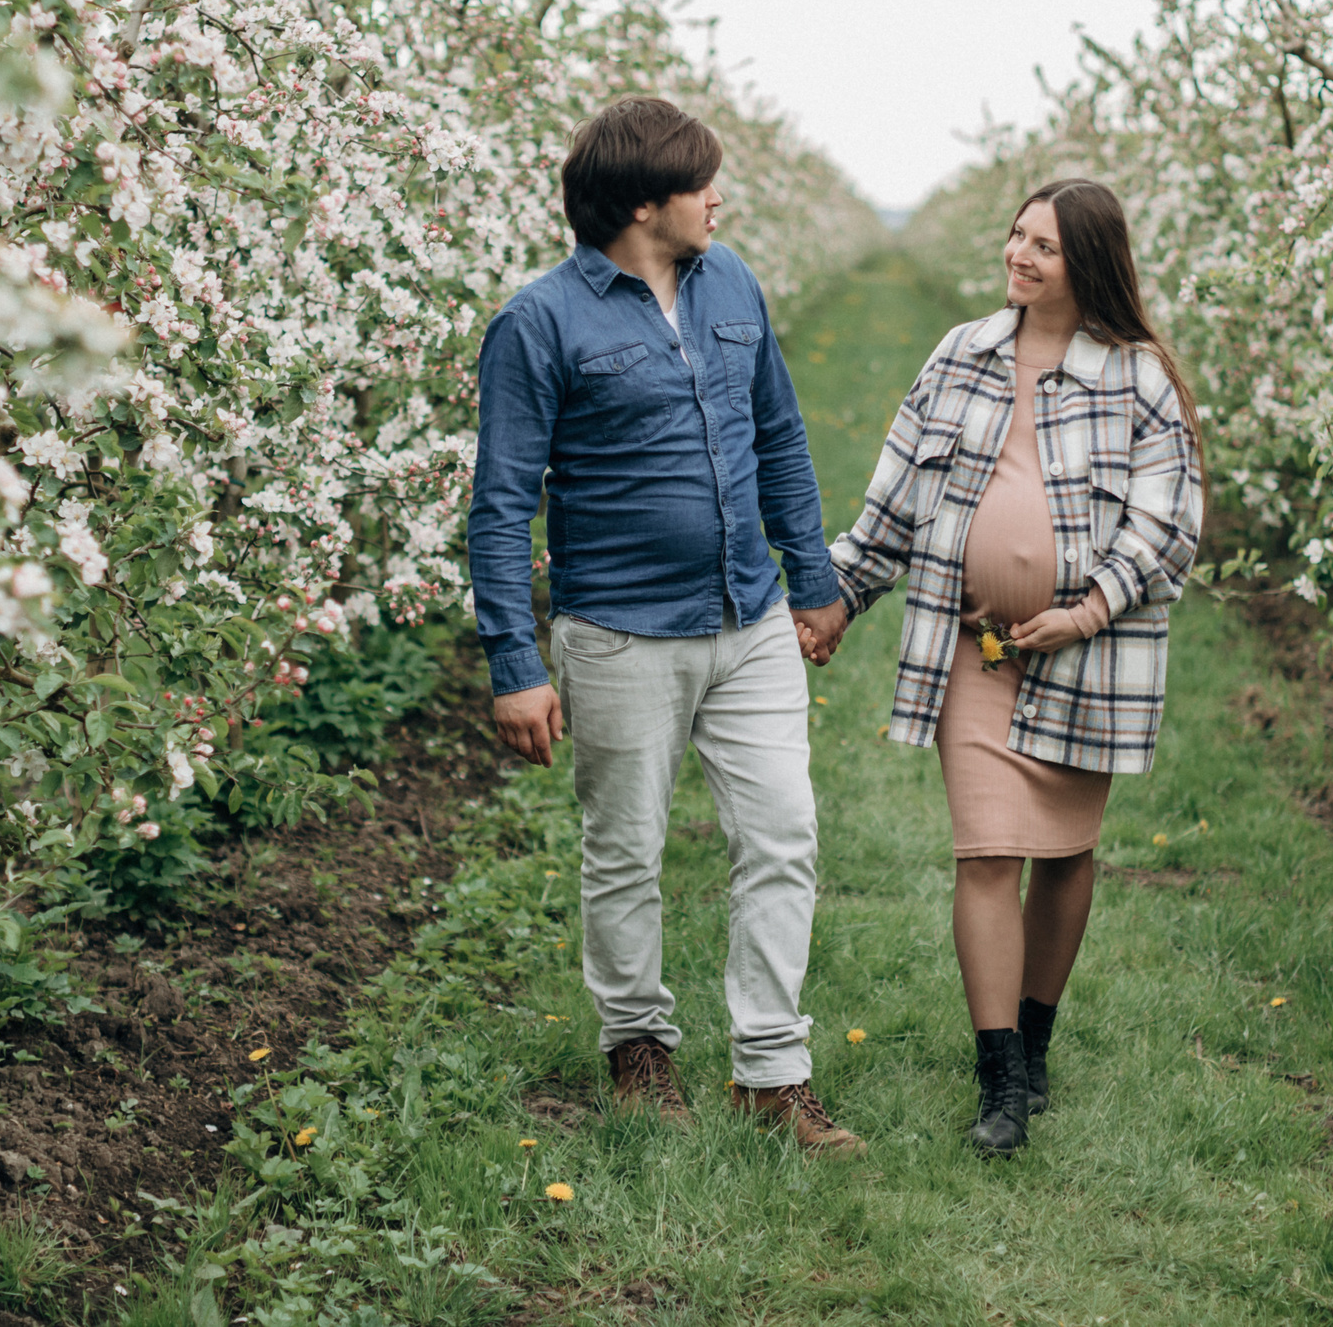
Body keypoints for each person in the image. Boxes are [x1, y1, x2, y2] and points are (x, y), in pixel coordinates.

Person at [466, 96, 863, 1154]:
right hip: (621, 633)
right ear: (646, 205)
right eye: (702, 185)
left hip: (749, 617)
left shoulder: (731, 282)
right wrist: (514, 660)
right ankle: (638, 1044)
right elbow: (502, 503)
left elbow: (777, 432)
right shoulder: (538, 322)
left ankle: (771, 1072)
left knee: (781, 835)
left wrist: (813, 578)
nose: (719, 198)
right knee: (625, 851)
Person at [809, 178, 1202, 1156]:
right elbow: (896, 494)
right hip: (976, 648)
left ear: (1090, 265)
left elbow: (1166, 528)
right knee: (986, 852)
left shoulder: (1138, 377)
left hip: (1091, 654)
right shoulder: (962, 352)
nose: (1020, 257)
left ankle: (1034, 1040)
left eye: (1045, 247)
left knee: (1063, 854)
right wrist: (837, 599)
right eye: (1016, 237)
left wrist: (1086, 610)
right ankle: (999, 1084)